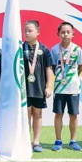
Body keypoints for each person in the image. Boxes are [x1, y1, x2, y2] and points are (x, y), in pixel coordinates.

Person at [50, 22, 82, 152]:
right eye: (62, 32)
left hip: (73, 88)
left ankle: (73, 141)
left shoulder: (77, 49)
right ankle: (58, 140)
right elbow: (53, 67)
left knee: (73, 115)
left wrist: (72, 78)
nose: (65, 34)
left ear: (73, 34)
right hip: (59, 88)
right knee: (58, 114)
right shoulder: (54, 49)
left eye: (68, 32)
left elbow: (80, 66)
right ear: (58, 34)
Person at [23, 20, 53, 153]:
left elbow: (49, 68)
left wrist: (49, 86)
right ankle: (26, 141)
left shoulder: (44, 49)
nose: (27, 33)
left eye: (30, 31)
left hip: (39, 88)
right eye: (25, 31)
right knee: (26, 115)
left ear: (38, 32)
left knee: (38, 114)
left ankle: (36, 142)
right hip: (24, 89)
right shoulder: (20, 48)